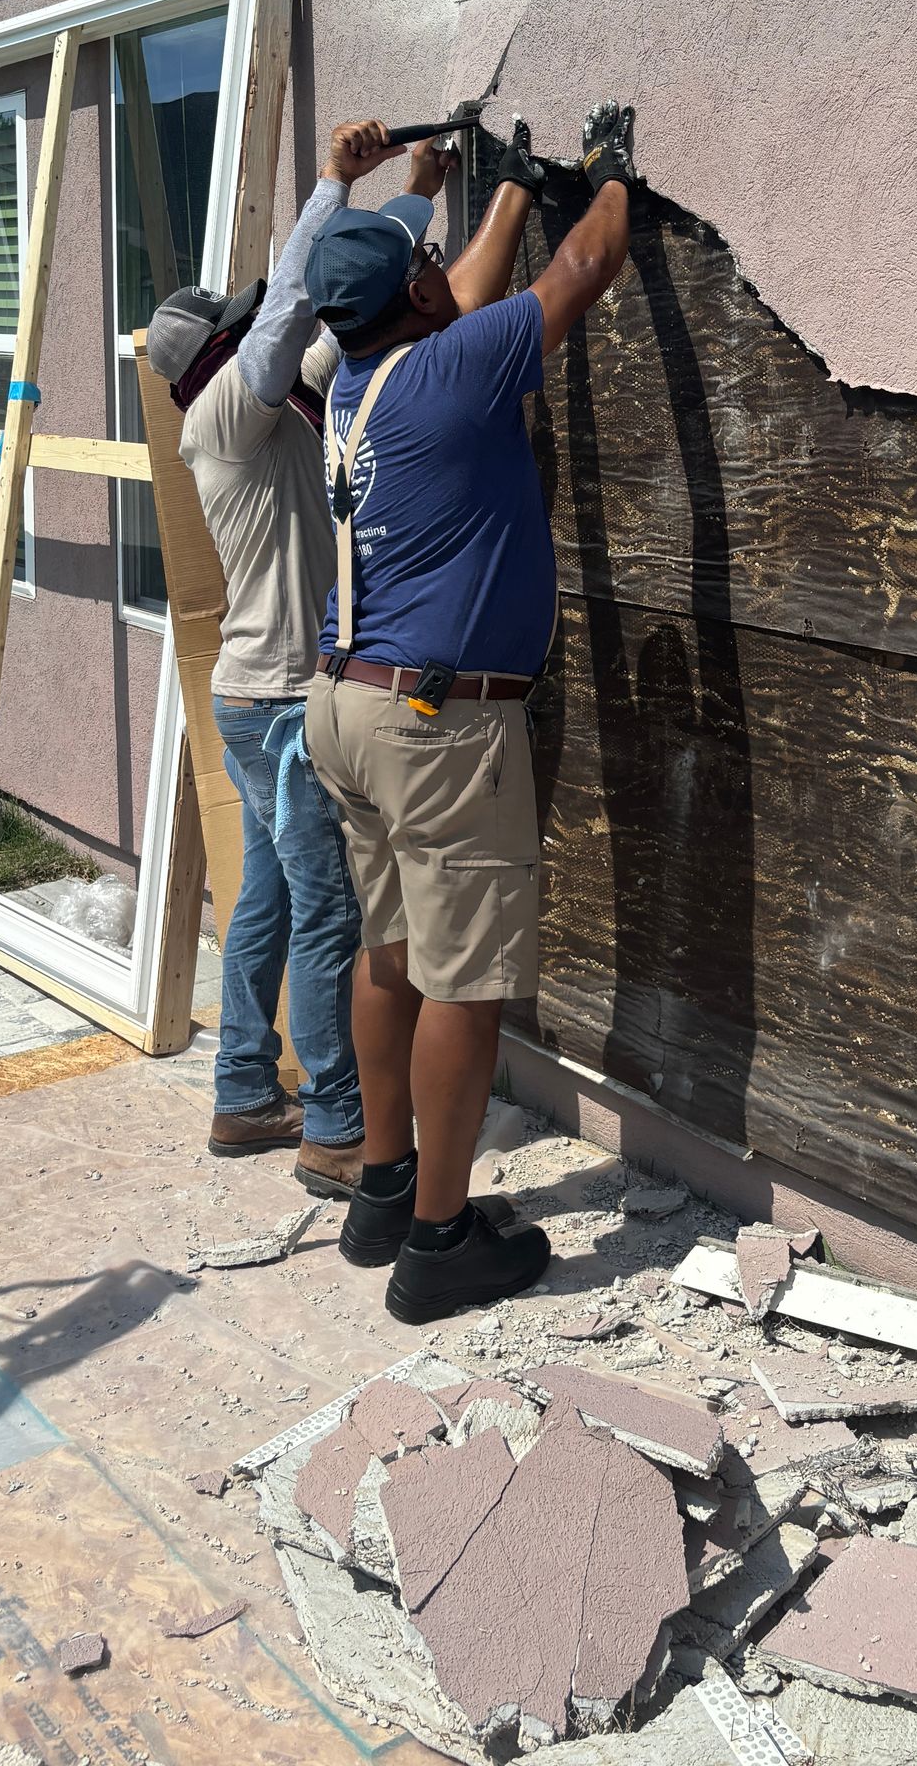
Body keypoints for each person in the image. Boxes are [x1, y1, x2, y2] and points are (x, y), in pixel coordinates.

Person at [145, 116, 543, 1194]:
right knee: (337, 916)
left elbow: (348, 309)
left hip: (267, 700)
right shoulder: (227, 418)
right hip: (281, 703)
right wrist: (333, 180)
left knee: (269, 905)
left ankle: (241, 1094)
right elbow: (291, 316)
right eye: (237, 337)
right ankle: (335, 1127)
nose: (263, 337)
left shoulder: (273, 421)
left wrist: (412, 201)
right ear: (214, 366)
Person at [303, 100, 637, 1322]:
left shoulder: (356, 377)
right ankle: (439, 1243)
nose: (446, 278)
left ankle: (384, 1184)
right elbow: (587, 265)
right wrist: (608, 177)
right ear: (422, 297)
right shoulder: (453, 364)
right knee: (466, 977)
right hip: (440, 728)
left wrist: (493, 194)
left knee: (390, 950)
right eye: (431, 272)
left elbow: (454, 292)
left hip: (348, 707)